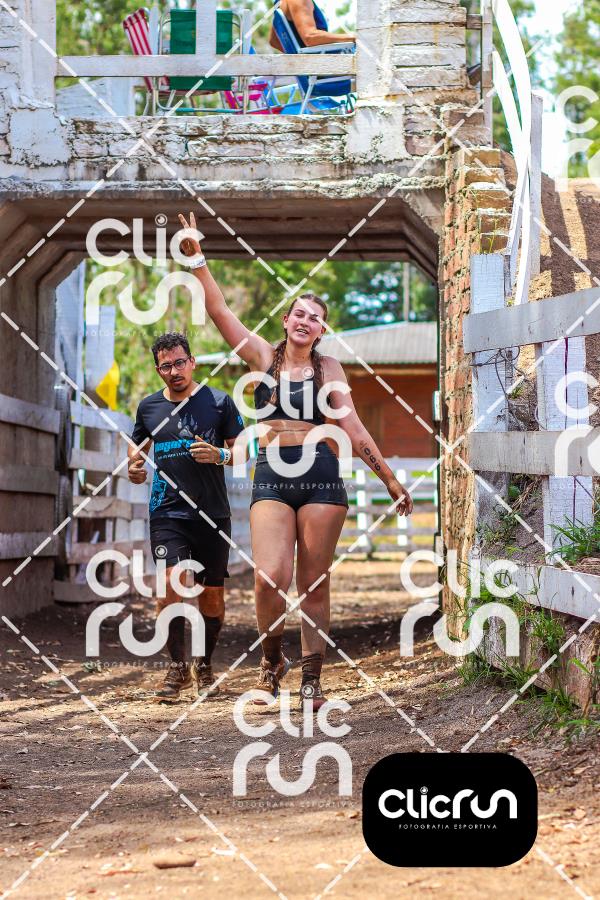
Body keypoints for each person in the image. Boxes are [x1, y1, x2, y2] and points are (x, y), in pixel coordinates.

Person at [177, 213, 413, 711]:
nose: (305, 321)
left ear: (321, 329)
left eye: (314, 317)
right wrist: (198, 261)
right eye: (298, 313)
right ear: (286, 321)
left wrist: (390, 479)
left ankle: (311, 677)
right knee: (269, 577)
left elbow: (353, 428)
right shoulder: (263, 358)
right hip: (272, 475)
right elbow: (219, 312)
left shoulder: (330, 369)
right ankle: (271, 662)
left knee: (313, 584)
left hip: (321, 477)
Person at [128, 332, 245, 702]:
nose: (174, 371)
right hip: (167, 512)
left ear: (192, 362)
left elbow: (244, 450)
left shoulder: (219, 402)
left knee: (211, 597)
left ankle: (204, 665)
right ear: (158, 370)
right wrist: (134, 468)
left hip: (212, 514)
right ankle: (177, 669)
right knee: (170, 584)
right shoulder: (149, 408)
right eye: (166, 366)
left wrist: (222, 456)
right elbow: (137, 451)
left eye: (180, 362)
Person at [269, 0, 356, 50]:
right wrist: (353, 37)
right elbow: (310, 36)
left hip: (309, 67)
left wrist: (297, 57)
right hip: (319, 67)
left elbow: (274, 41)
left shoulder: (280, 2)